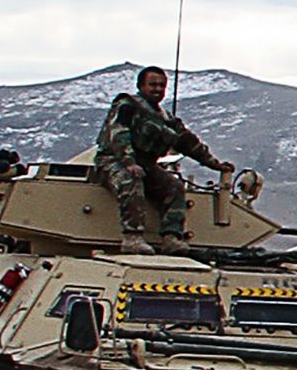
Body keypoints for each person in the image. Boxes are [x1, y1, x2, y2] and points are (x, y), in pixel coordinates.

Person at [96, 65, 226, 247]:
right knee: (130, 180)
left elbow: (189, 143)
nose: (157, 89)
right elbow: (119, 134)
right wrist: (129, 162)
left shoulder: (165, 119)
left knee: (174, 187)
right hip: (113, 161)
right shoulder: (127, 106)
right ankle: (132, 237)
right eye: (153, 85)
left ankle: (171, 237)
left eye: (161, 86)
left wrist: (215, 164)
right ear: (141, 86)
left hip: (145, 165)